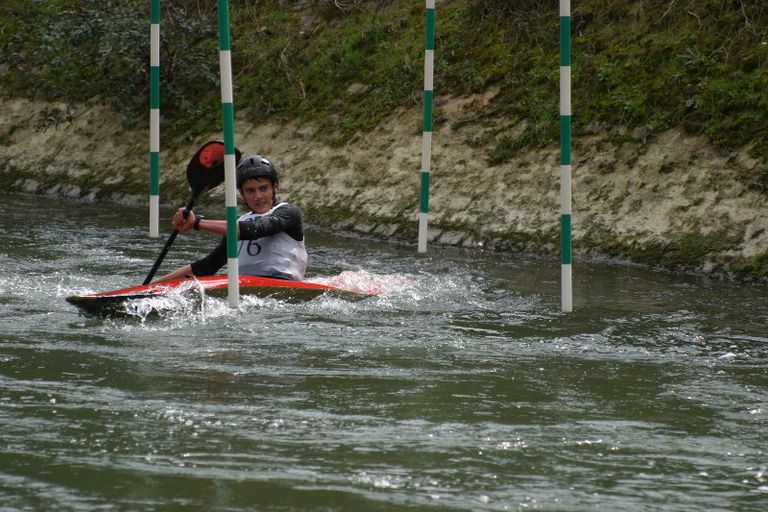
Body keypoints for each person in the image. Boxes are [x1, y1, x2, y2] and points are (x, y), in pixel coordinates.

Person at [152, 155, 307, 283]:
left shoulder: (289, 212)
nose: (258, 196)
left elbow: (256, 228)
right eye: (250, 190)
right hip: (246, 293)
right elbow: (206, 267)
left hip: (286, 289)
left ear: (275, 187)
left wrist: (197, 223)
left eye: (264, 188)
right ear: (241, 193)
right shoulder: (238, 225)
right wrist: (154, 285)